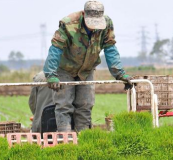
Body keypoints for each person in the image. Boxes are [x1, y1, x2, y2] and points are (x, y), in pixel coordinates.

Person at [43, 0, 133, 132]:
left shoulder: (106, 25)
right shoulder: (69, 24)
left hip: (87, 70)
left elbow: (110, 49)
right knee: (64, 105)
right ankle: (66, 139)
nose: (93, 27)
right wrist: (50, 74)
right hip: (65, 68)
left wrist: (120, 74)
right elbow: (55, 49)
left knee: (85, 105)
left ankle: (83, 138)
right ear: (84, 14)